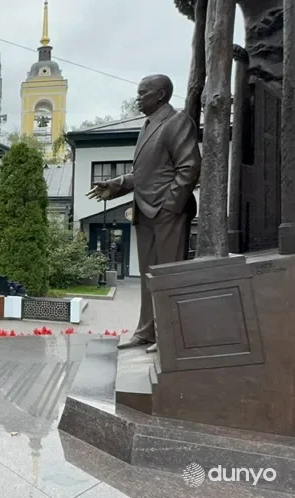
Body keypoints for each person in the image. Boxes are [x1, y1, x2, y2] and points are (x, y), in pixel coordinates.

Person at [88, 74, 201, 354]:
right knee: (149, 276)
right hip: (145, 211)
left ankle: (169, 337)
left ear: (161, 95)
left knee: (168, 277)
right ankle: (147, 332)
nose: (138, 99)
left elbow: (189, 168)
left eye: (143, 93)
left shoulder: (177, 122)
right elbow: (144, 174)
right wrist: (116, 185)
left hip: (167, 213)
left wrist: (169, 207)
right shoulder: (148, 125)